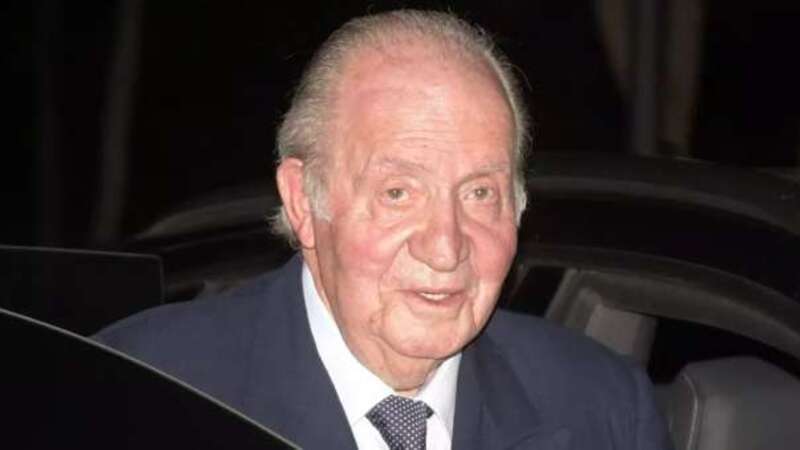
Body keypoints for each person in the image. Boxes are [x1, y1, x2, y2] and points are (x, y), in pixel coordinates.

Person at [96, 9, 671, 450]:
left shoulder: (604, 410)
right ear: (302, 201)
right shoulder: (136, 392)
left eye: (479, 194)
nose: (445, 248)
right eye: (399, 194)